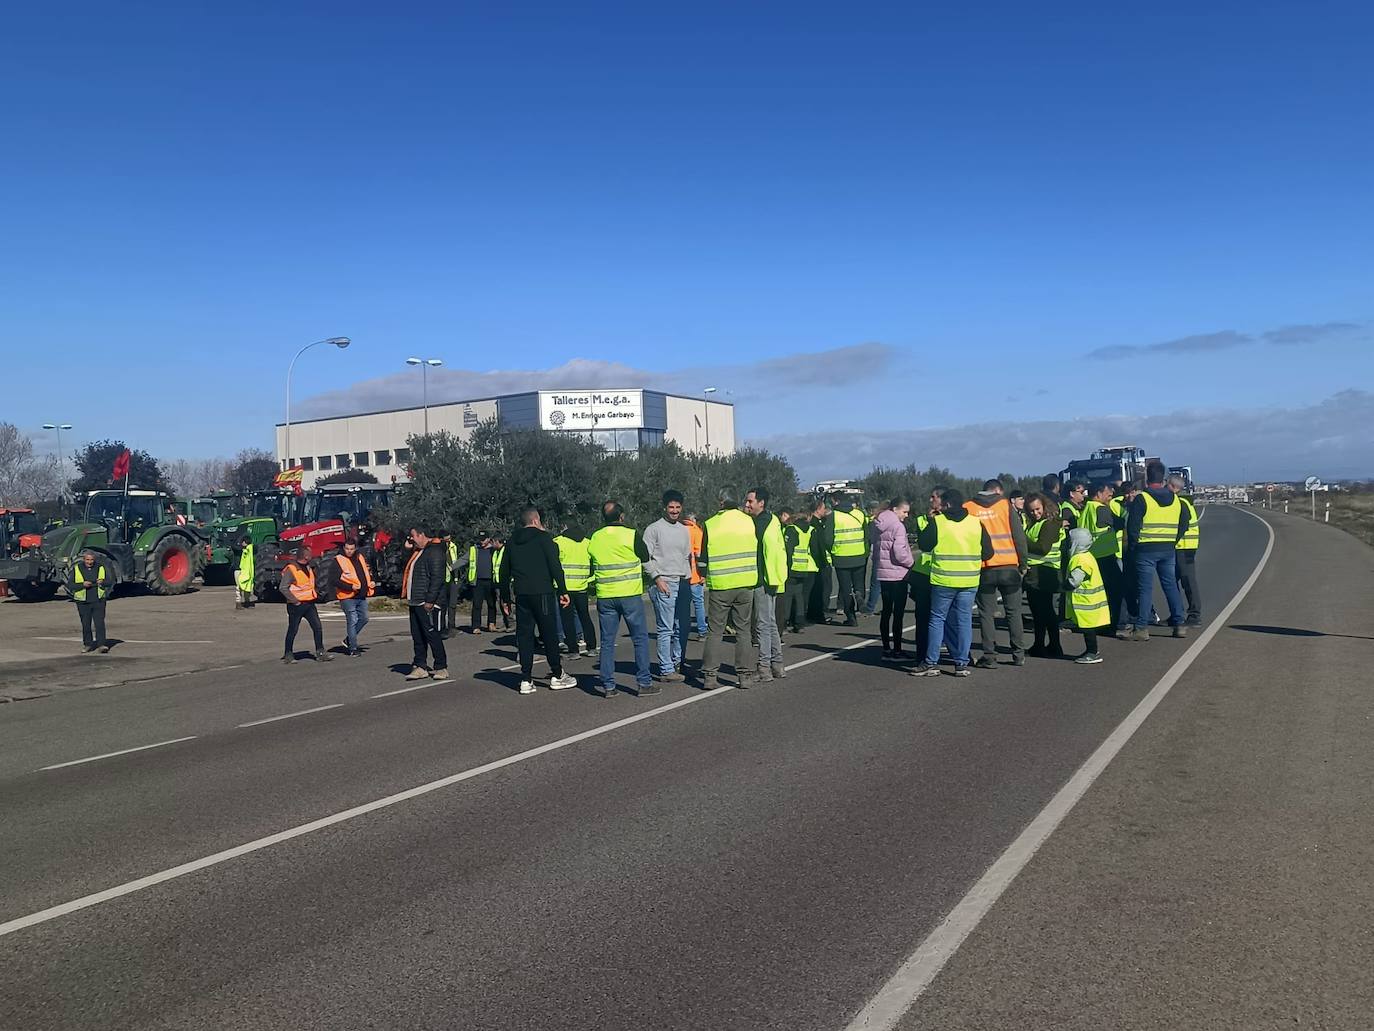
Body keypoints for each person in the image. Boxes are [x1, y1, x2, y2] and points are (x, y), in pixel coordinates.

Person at [909, 489, 993, 678]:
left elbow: (924, 545)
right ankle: (961, 663)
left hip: (944, 580)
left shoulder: (939, 522)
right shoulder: (976, 523)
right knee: (964, 621)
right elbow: (988, 553)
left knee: (937, 620)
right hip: (969, 580)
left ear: (946, 505)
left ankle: (931, 662)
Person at [499, 506, 577, 694]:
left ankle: (526, 678)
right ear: (535, 520)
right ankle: (557, 675)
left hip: (522, 594)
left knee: (524, 636)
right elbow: (554, 565)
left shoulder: (511, 542)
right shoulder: (544, 539)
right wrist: (563, 590)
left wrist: (505, 598)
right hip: (542, 592)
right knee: (549, 633)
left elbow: (503, 571)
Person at [588, 502, 654, 698]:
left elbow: (591, 558)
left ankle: (608, 686)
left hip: (606, 596)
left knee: (607, 642)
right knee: (640, 639)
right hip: (629, 594)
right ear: (621, 516)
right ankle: (644, 683)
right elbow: (645, 555)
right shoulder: (630, 534)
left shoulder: (596, 537)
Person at [965, 479, 1028, 668]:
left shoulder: (969, 507)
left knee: (986, 613)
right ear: (997, 491)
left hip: (984, 567)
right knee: (1014, 612)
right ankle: (1018, 654)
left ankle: (990, 656)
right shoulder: (1004, 505)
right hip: (1009, 566)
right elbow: (1018, 536)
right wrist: (1023, 562)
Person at [700, 492, 760, 688]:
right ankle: (744, 676)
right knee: (743, 631)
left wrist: (702, 575)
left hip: (721, 584)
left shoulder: (711, 524)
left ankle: (710, 676)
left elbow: (703, 557)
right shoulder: (750, 522)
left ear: (721, 502)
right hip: (745, 582)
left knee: (715, 632)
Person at [1125, 460, 1189, 641]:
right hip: (1167, 548)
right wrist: (1173, 540)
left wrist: (1133, 547)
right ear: (1163, 478)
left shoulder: (1142, 498)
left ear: (1147, 478)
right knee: (1170, 586)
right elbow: (1184, 523)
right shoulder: (1177, 499)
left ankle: (1142, 628)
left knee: (1145, 589)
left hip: (1145, 549)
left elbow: (1133, 526)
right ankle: (1179, 624)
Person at [643, 489, 695, 683]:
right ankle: (666, 669)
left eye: (677, 507)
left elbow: (686, 557)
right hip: (663, 582)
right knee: (665, 629)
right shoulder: (654, 529)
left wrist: (689, 581)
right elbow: (644, 557)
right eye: (671, 507)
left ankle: (677, 663)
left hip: (681, 582)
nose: (674, 511)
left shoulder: (684, 530)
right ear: (665, 507)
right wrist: (657, 579)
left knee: (681, 626)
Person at [744, 487, 788, 682]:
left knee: (763, 624)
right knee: (769, 622)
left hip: (763, 578)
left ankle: (764, 667)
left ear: (761, 503)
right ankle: (777, 665)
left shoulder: (761, 523)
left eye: (750, 501)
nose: (747, 505)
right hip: (772, 577)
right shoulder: (773, 521)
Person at [1023, 492, 1065, 658]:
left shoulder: (1049, 524)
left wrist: (1022, 539)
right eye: (1031, 510)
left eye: (1038, 509)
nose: (1035, 513)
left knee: (1046, 611)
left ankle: (1054, 645)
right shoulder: (1036, 523)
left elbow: (1042, 548)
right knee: (1037, 612)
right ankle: (1039, 644)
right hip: (1036, 572)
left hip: (1045, 572)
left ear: (1044, 506)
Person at [403, 526, 449, 680]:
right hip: (415, 600)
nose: (412, 540)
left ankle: (441, 667)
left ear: (422, 535)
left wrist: (430, 600)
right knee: (418, 636)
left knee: (432, 635)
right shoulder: (420, 552)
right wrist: (408, 550)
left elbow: (437, 578)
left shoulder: (434, 551)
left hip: (426, 601)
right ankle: (420, 665)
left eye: (413, 536)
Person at [873, 496, 914, 660]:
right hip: (898, 573)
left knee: (886, 611)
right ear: (896, 509)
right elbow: (899, 553)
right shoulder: (898, 526)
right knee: (898, 614)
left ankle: (886, 648)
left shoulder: (877, 523)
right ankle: (897, 649)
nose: (906, 515)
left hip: (883, 573)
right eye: (905, 511)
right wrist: (911, 564)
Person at [906, 488, 943, 665]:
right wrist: (931, 519)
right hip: (924, 574)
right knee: (922, 617)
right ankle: (922, 655)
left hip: (944, 573)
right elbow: (925, 542)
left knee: (945, 617)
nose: (930, 500)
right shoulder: (923, 519)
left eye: (934, 497)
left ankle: (956, 655)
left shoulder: (952, 520)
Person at [1083, 482, 1125, 635]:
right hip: (1105, 555)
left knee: (1104, 593)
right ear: (1098, 493)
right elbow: (1120, 522)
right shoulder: (1101, 509)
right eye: (1108, 493)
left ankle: (1103, 622)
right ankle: (1118, 624)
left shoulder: (1087, 508)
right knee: (1117, 591)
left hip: (1093, 555)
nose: (1110, 496)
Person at [1064, 528, 1110, 663]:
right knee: (1088, 628)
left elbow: (1075, 580)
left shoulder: (1079, 559)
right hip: (1091, 601)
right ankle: (1091, 651)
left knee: (1088, 629)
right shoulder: (1088, 555)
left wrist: (1065, 584)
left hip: (1086, 603)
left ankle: (1092, 652)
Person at [281, 546, 331, 663]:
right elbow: (283, 588)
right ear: (305, 556)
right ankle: (288, 654)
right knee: (293, 629)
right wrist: (295, 601)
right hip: (296, 605)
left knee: (317, 627)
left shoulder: (308, 567)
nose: (312, 555)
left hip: (309, 603)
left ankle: (320, 652)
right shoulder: (292, 569)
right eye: (309, 553)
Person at [553, 523, 596, 657]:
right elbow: (594, 564)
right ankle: (592, 647)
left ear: (565, 526)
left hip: (564, 588)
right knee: (585, 617)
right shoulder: (587, 542)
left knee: (567, 619)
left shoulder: (558, 542)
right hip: (582, 586)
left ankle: (573, 650)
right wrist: (588, 581)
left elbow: (554, 564)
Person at [829, 496, 868, 626]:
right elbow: (866, 535)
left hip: (841, 558)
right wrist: (865, 552)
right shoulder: (859, 514)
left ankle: (851, 617)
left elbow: (827, 538)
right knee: (858, 582)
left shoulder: (834, 516)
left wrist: (833, 551)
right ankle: (859, 595)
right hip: (859, 555)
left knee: (845, 589)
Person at [1170, 474, 1203, 625]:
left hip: (1184, 547)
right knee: (1172, 581)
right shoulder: (1183, 501)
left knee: (1188, 581)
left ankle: (1194, 615)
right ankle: (1177, 614)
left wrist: (1172, 542)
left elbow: (1182, 526)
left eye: (1167, 484)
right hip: (1183, 547)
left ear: (1174, 487)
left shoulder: (1180, 502)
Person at [333, 537, 374, 656]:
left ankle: (348, 640)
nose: (349, 551)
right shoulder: (338, 560)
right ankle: (353, 648)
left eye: (351, 549)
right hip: (347, 596)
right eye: (347, 548)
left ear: (355, 548)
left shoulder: (360, 557)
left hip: (361, 595)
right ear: (344, 548)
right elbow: (334, 580)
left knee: (364, 618)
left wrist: (369, 583)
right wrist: (350, 587)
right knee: (352, 620)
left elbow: (364, 573)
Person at [69, 549, 112, 653]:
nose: (89, 562)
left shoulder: (101, 567)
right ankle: (88, 644)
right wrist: (82, 585)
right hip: (83, 602)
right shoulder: (77, 568)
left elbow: (109, 582)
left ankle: (101, 644)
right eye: (87, 560)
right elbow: (70, 585)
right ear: (84, 559)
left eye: (91, 560)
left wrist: (102, 582)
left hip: (98, 600)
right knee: (85, 624)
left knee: (99, 623)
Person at [782, 511, 817, 634]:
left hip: (792, 567)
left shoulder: (792, 530)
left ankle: (784, 623)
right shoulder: (809, 529)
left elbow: (788, 550)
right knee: (799, 596)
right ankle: (799, 622)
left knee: (787, 596)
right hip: (803, 566)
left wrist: (786, 566)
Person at [467, 535, 502, 634]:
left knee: (492, 604)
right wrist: (450, 567)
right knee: (477, 604)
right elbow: (464, 560)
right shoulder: (474, 549)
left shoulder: (494, 550)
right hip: (478, 581)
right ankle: (476, 626)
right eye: (480, 539)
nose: (481, 542)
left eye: (483, 540)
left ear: (488, 539)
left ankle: (491, 624)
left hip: (491, 581)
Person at [807, 498, 833, 625]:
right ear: (818, 509)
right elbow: (818, 546)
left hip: (817, 562)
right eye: (823, 508)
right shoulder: (814, 524)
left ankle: (815, 613)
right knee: (819, 590)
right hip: (817, 563)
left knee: (817, 590)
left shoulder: (817, 523)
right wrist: (823, 562)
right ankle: (818, 614)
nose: (825, 511)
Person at [683, 512, 709, 639]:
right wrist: (703, 574)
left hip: (681, 576)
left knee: (683, 605)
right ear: (693, 520)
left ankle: (682, 629)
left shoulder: (679, 530)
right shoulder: (696, 532)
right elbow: (699, 554)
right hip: (695, 574)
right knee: (698, 603)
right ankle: (702, 631)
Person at [861, 500, 887, 616]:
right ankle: (887, 608)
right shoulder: (891, 521)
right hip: (887, 555)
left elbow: (871, 538)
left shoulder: (874, 522)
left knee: (876, 582)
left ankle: (870, 607)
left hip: (879, 554)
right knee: (886, 583)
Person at [235, 534, 256, 610]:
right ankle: (239, 603)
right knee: (239, 587)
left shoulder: (249, 549)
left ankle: (246, 601)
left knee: (246, 586)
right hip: (241, 570)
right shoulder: (239, 549)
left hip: (244, 570)